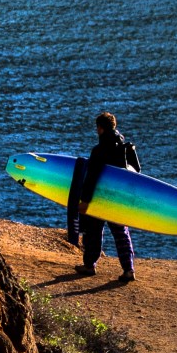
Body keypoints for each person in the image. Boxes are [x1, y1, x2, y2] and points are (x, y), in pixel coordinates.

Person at [67, 111, 142, 281]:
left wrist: (85, 201)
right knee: (121, 233)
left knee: (93, 232)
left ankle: (89, 265)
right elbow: (136, 173)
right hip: (119, 200)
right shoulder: (126, 148)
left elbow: (91, 178)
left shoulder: (99, 150)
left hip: (99, 199)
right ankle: (129, 269)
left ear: (100, 128)